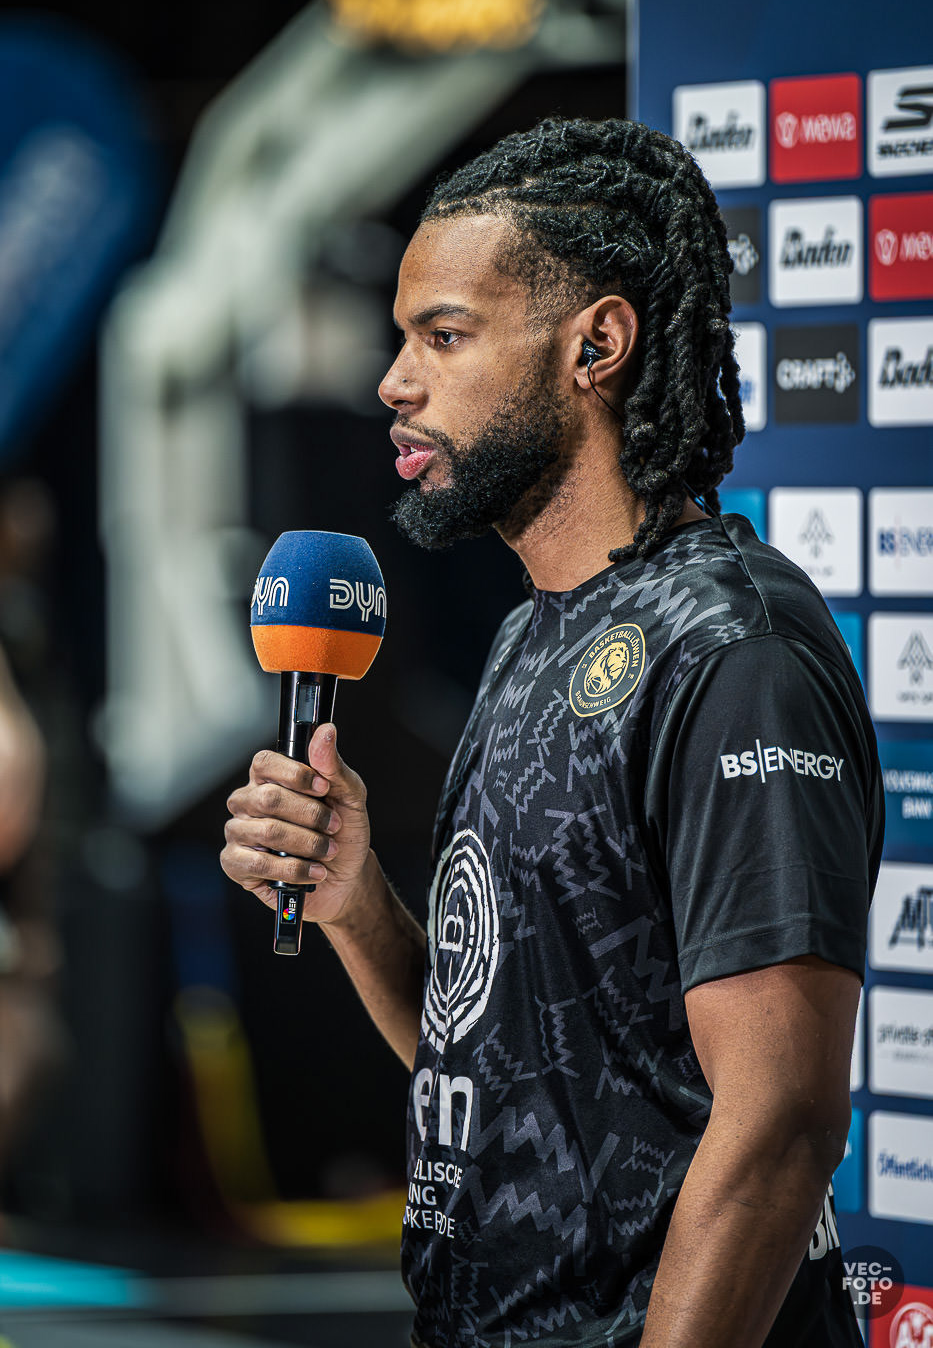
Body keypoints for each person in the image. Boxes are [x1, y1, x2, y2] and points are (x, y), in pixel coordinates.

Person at [221, 117, 883, 1347]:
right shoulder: (535, 632)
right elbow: (503, 1070)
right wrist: (358, 900)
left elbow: (783, 1122)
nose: (394, 382)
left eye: (444, 335)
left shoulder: (732, 649)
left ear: (597, 344)